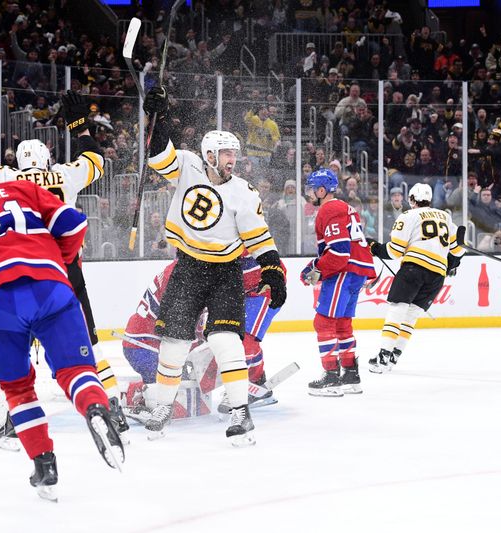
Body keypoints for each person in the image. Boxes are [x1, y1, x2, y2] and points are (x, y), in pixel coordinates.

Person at [0, 119, 124, 501]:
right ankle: (96, 410)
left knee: (18, 389)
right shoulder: (22, 189)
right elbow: (73, 223)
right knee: (76, 369)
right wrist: (57, 261)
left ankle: (44, 465)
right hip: (51, 287)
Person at [141, 85, 287, 446]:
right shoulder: (188, 166)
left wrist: (272, 272)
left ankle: (240, 411)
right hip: (188, 266)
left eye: (233, 153)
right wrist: (157, 118)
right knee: (173, 341)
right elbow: (158, 155)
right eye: (225, 152)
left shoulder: (244, 192)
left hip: (225, 272)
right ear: (208, 154)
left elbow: (259, 238)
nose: (231, 159)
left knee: (225, 340)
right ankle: (162, 406)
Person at [0, 90, 128, 446]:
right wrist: (80, 129)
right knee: (87, 340)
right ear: (47, 158)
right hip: (66, 268)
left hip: (22, 272)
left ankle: (15, 415)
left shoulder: (7, 178)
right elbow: (95, 159)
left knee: (20, 343)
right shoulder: (64, 175)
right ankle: (113, 405)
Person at [122, 254, 284, 419]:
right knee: (187, 383)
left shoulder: (190, 268)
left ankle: (254, 380)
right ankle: (143, 394)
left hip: (262, 285)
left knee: (238, 338)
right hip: (144, 344)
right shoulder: (187, 274)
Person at [367, 183, 465, 372]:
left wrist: (375, 248)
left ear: (411, 200)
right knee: (411, 317)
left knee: (397, 311)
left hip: (414, 269)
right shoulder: (445, 216)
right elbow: (458, 250)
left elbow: (395, 251)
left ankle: (382, 357)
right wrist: (453, 261)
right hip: (437, 275)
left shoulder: (408, 216)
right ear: (429, 200)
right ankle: (394, 356)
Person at [299, 169, 376, 396]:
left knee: (323, 322)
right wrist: (317, 266)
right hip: (357, 270)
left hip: (343, 270)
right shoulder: (346, 208)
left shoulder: (329, 209)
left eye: (312, 189)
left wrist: (317, 269)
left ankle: (331, 377)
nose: (309, 193)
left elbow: (339, 252)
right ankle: (351, 375)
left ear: (322, 190)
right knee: (342, 323)